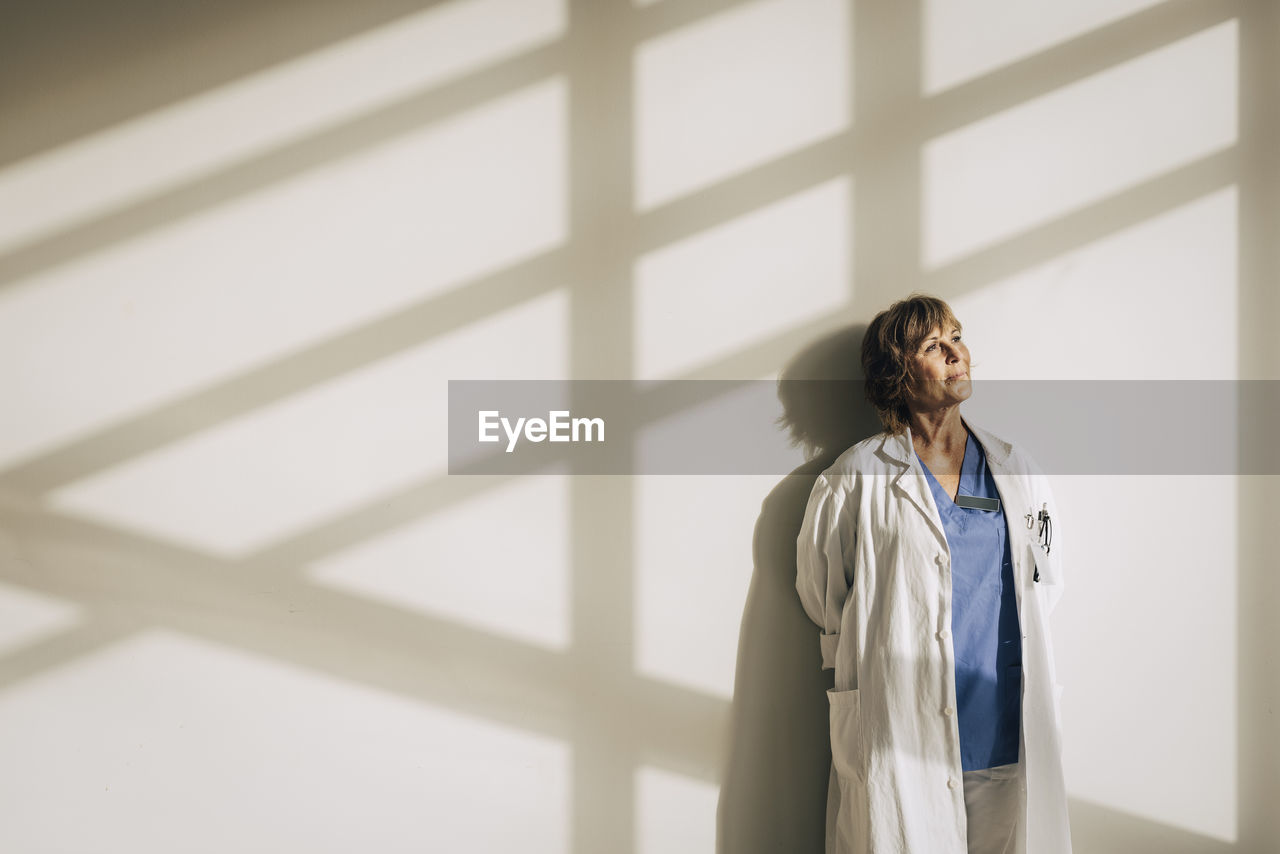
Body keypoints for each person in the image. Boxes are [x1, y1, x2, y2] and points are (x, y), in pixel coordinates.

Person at [795, 294, 1071, 854]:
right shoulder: (856, 477)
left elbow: (1047, 579)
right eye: (932, 345)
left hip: (1005, 726)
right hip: (902, 723)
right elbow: (823, 593)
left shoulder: (1013, 468)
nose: (956, 353)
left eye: (957, 337)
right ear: (898, 373)